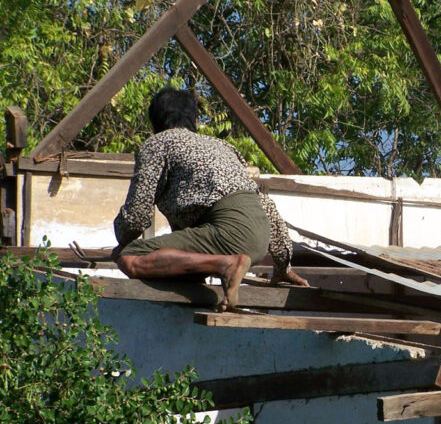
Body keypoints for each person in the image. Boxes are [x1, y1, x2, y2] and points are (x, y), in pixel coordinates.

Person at [113, 87, 308, 310]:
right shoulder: (223, 147)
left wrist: (123, 243)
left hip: (229, 236)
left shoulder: (156, 144)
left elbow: (136, 217)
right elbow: (267, 207)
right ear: (195, 120)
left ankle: (227, 265)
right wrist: (283, 267)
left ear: (154, 123)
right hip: (258, 238)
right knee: (176, 269)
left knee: (130, 256)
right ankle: (223, 265)